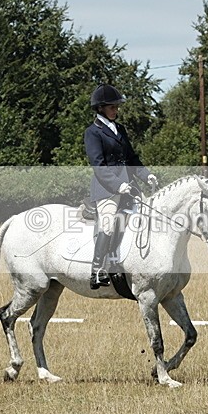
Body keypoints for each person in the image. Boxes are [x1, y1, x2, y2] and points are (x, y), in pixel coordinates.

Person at [84, 84, 158, 289]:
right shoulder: (93, 132)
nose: (116, 110)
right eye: (112, 107)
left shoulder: (120, 129)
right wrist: (118, 185)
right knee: (108, 223)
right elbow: (98, 166)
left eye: (116, 107)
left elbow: (131, 158)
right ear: (100, 108)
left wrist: (146, 175)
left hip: (129, 186)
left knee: (148, 215)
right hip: (106, 189)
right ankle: (97, 270)